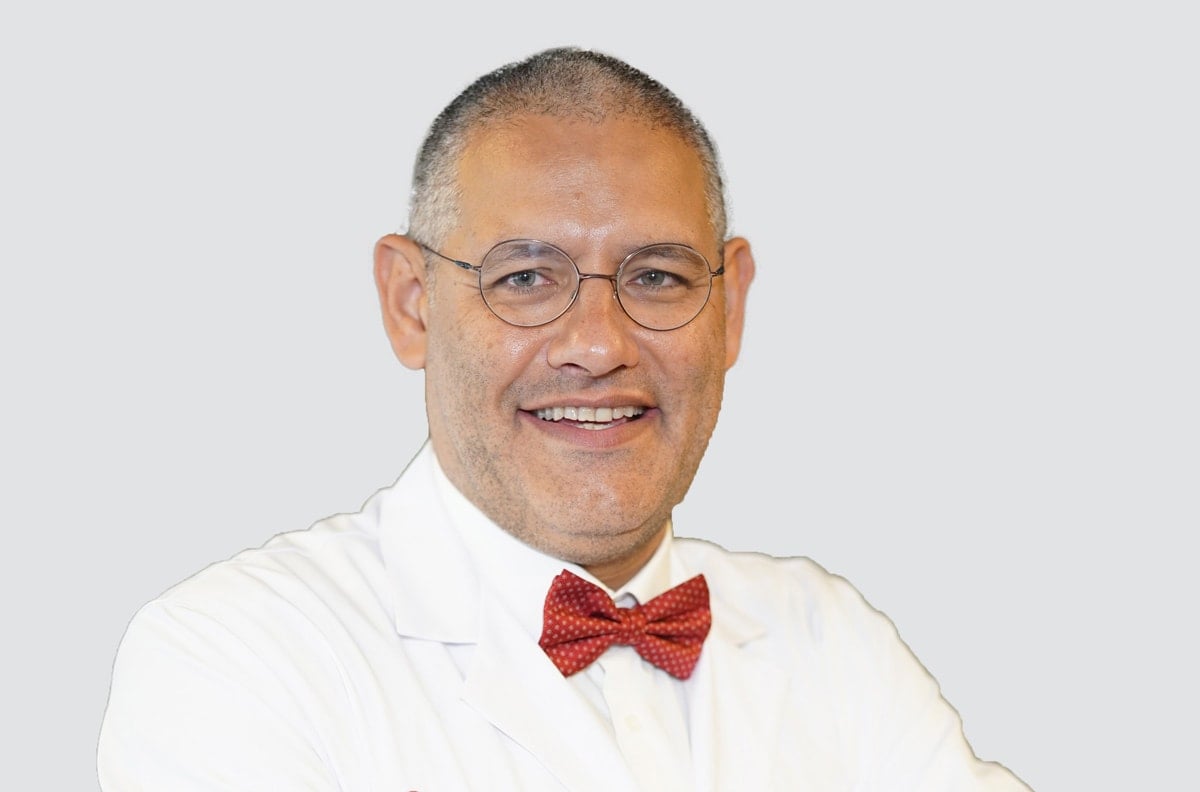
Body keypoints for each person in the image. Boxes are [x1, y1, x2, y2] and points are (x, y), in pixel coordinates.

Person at [97, 46, 1031, 791]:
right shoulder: (240, 655)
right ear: (412, 304)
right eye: (526, 278)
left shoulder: (830, 641)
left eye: (656, 276)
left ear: (730, 306)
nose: (596, 344)